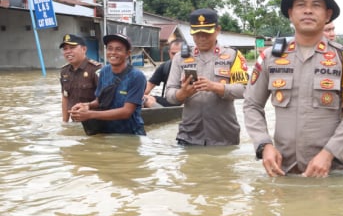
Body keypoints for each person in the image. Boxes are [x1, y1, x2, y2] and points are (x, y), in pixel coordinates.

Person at [243, 0, 343, 178]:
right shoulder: (269, 57)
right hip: (282, 171)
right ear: (290, 14)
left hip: (331, 172)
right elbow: (251, 105)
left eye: (316, 5)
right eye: (301, 5)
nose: (308, 11)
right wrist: (264, 145)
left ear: (327, 15)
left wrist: (329, 154)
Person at [164, 8, 249, 146]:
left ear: (217, 30)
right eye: (197, 33)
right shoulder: (180, 58)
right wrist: (182, 93)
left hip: (224, 136)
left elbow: (246, 89)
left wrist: (216, 87)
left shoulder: (233, 55)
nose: (202, 38)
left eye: (206, 33)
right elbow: (169, 94)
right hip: (189, 135)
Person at [70, 33, 147, 135]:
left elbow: (126, 112)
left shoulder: (136, 76)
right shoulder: (104, 71)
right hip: (107, 131)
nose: (113, 53)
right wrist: (87, 105)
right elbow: (99, 100)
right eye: (110, 49)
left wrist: (90, 114)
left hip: (131, 134)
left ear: (128, 53)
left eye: (118, 49)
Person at [59, 34, 101, 122]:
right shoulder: (64, 71)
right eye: (65, 49)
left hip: (95, 121)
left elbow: (104, 99)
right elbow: (65, 98)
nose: (68, 51)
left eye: (72, 47)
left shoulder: (96, 69)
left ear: (84, 49)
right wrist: (65, 123)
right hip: (75, 122)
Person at [143, 39, 183, 108]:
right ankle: (163, 113)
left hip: (188, 102)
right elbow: (149, 86)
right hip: (170, 101)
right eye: (173, 54)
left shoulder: (193, 66)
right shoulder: (165, 67)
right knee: (145, 99)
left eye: (179, 54)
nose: (176, 57)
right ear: (169, 52)